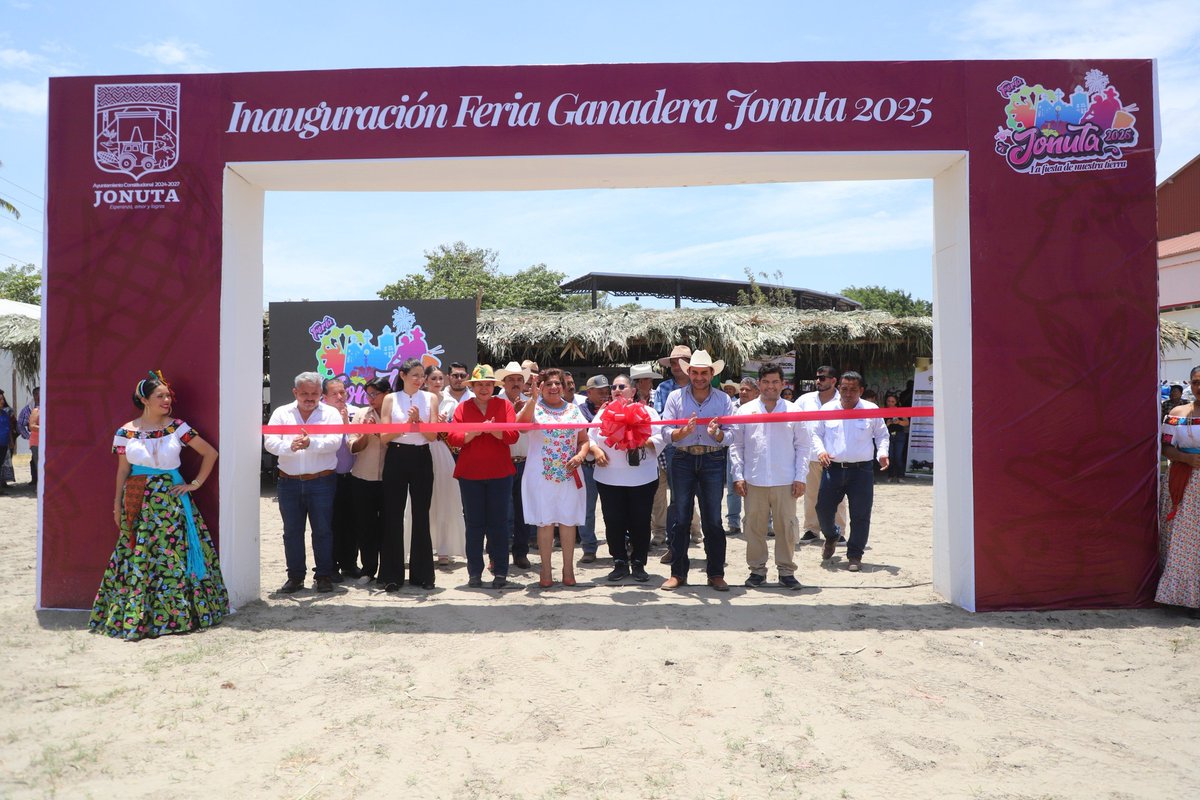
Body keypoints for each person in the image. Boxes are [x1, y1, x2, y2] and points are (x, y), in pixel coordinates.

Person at [90, 371, 227, 639]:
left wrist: (195, 484)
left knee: (173, 559)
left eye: (168, 395)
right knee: (142, 556)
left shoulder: (177, 427)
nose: (166, 400)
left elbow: (210, 453)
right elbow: (122, 471)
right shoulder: (125, 432)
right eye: (159, 395)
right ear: (144, 399)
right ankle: (141, 617)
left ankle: (179, 617)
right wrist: (117, 504)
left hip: (172, 503)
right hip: (138, 501)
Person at [660, 350, 734, 591]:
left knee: (712, 519)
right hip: (683, 458)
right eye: (695, 372)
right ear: (688, 372)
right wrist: (682, 433)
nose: (699, 377)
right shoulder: (674, 397)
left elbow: (733, 434)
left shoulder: (723, 399)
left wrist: (718, 435)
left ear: (712, 374)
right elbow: (665, 432)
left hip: (712, 459)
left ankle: (715, 573)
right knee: (681, 518)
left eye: (704, 372)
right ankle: (678, 573)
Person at [264, 371, 344, 593]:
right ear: (295, 392)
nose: (310, 398)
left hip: (322, 481)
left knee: (323, 530)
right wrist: (289, 447)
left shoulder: (330, 413)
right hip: (288, 482)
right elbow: (270, 442)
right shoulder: (281, 413)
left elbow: (335, 441)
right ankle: (296, 577)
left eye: (315, 394)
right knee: (292, 532)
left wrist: (311, 444)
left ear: (321, 393)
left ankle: (324, 575)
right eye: (305, 394)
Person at [731, 364, 808, 588]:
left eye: (775, 382)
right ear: (759, 384)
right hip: (754, 480)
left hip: (786, 480)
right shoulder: (744, 411)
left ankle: (786, 571)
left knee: (786, 527)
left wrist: (800, 477)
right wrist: (738, 475)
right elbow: (736, 445)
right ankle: (757, 570)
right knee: (754, 527)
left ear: (783, 384)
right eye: (766, 382)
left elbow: (803, 446)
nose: (770, 386)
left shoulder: (794, 411)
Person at [448, 364, 521, 590]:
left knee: (498, 524)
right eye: (479, 384)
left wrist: (493, 430)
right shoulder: (463, 408)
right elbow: (454, 438)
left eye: (488, 384)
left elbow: (513, 436)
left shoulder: (504, 405)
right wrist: (476, 431)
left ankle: (500, 572)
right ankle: (474, 573)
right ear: (473, 386)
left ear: (493, 386)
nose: (484, 388)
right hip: (470, 475)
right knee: (475, 525)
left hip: (500, 473)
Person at [516, 368, 590, 587]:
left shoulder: (573, 410)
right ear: (541, 387)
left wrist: (580, 455)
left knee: (568, 521)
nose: (554, 388)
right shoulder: (535, 408)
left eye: (558, 383)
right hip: (541, 475)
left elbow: (583, 439)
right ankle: (546, 572)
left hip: (569, 474)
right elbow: (520, 427)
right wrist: (532, 399)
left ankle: (569, 570)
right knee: (545, 522)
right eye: (548, 384)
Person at [811, 371, 889, 572]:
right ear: (839, 388)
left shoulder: (871, 410)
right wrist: (821, 451)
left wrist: (882, 453)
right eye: (844, 389)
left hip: (861, 471)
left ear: (861, 391)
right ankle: (831, 535)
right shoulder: (827, 408)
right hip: (833, 468)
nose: (847, 393)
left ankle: (855, 555)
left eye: (853, 389)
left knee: (861, 514)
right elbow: (816, 434)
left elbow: (882, 435)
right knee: (822, 508)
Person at [377, 358, 441, 592]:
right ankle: (391, 575)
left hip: (422, 457)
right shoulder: (391, 399)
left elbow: (433, 436)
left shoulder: (431, 398)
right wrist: (406, 423)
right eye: (414, 375)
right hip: (396, 457)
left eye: (421, 375)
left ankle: (423, 574)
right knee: (393, 515)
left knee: (421, 515)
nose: (419, 379)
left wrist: (420, 422)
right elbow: (384, 436)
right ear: (402, 375)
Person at [592, 377, 662, 582]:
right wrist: (596, 451)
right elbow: (589, 437)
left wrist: (639, 439)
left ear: (633, 391)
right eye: (613, 387)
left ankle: (639, 562)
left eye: (622, 387)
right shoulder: (603, 413)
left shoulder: (648, 412)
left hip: (642, 477)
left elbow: (660, 438)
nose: (616, 390)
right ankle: (619, 561)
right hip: (609, 477)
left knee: (640, 521)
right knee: (613, 521)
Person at [1158, 365, 1200, 615]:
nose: (1199, 387)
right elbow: (1166, 448)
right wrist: (1186, 459)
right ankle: (1182, 596)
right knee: (1185, 540)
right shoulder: (1177, 412)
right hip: (1184, 485)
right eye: (1196, 382)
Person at [796, 367, 848, 543]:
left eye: (823, 378)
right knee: (810, 495)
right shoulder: (804, 400)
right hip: (810, 455)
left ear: (834, 381)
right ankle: (811, 529)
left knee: (838, 498)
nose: (818, 381)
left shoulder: (843, 401)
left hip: (835, 458)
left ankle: (839, 531)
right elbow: (793, 423)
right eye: (817, 378)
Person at [424, 364, 467, 566]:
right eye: (433, 379)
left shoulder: (451, 403)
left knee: (445, 498)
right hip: (422, 449)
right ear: (425, 381)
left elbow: (456, 431)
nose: (438, 382)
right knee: (422, 501)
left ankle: (444, 549)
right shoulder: (419, 399)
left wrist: (444, 427)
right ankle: (420, 546)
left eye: (440, 379)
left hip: (442, 451)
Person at [348, 377, 390, 580]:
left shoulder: (395, 414)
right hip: (362, 478)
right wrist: (366, 434)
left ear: (387, 394)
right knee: (365, 526)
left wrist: (381, 432)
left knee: (389, 526)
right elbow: (353, 447)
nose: (371, 398)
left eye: (376, 394)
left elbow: (401, 445)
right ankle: (368, 569)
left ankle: (387, 570)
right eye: (368, 394)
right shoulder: (360, 414)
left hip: (390, 478)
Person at [322, 378, 361, 580]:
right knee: (330, 524)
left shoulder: (356, 413)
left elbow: (354, 445)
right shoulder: (321, 416)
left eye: (343, 392)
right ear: (324, 397)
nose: (340, 397)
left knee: (351, 522)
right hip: (328, 477)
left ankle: (349, 564)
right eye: (335, 394)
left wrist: (347, 424)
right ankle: (331, 566)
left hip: (352, 476)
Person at [497, 361, 534, 569]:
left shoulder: (531, 402)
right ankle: (499, 554)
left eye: (519, 380)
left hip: (526, 463)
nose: (516, 383)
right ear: (503, 382)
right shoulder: (495, 402)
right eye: (511, 379)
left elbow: (531, 431)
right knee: (500, 513)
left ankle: (521, 552)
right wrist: (513, 411)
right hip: (503, 462)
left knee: (523, 512)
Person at [576, 374, 610, 562]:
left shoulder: (613, 409)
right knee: (587, 509)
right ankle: (589, 547)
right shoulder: (580, 410)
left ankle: (618, 544)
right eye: (600, 392)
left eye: (607, 392)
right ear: (589, 393)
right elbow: (584, 436)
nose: (605, 395)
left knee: (612, 508)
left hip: (609, 466)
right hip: (588, 465)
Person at [725, 377, 760, 535]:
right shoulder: (731, 407)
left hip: (756, 453)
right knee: (734, 488)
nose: (743, 392)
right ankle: (733, 523)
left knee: (760, 487)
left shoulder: (762, 408)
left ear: (756, 392)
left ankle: (766, 523)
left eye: (748, 390)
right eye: (742, 389)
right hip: (734, 451)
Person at [883, 392, 910, 483]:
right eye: (888, 401)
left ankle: (900, 476)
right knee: (890, 456)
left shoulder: (900, 410)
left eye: (892, 401)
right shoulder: (883, 411)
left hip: (899, 435)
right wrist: (888, 423)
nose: (890, 403)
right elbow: (879, 427)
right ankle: (890, 475)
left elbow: (906, 423)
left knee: (898, 456)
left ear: (896, 402)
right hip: (888, 435)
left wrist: (898, 422)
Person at [18, 386, 38, 486]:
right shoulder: (28, 410)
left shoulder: (50, 405)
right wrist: (28, 436)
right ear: (33, 395)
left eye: (40, 393)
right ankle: (36, 480)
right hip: (35, 439)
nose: (39, 396)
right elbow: (20, 424)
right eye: (36, 394)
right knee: (36, 460)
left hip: (49, 440)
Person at [0, 391, 15, 490]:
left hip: (4, 444)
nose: (2, 401)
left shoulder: (5, 413)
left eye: (2, 399)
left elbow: (8, 428)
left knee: (0, 466)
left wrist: (11, 441)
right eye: (0, 399)